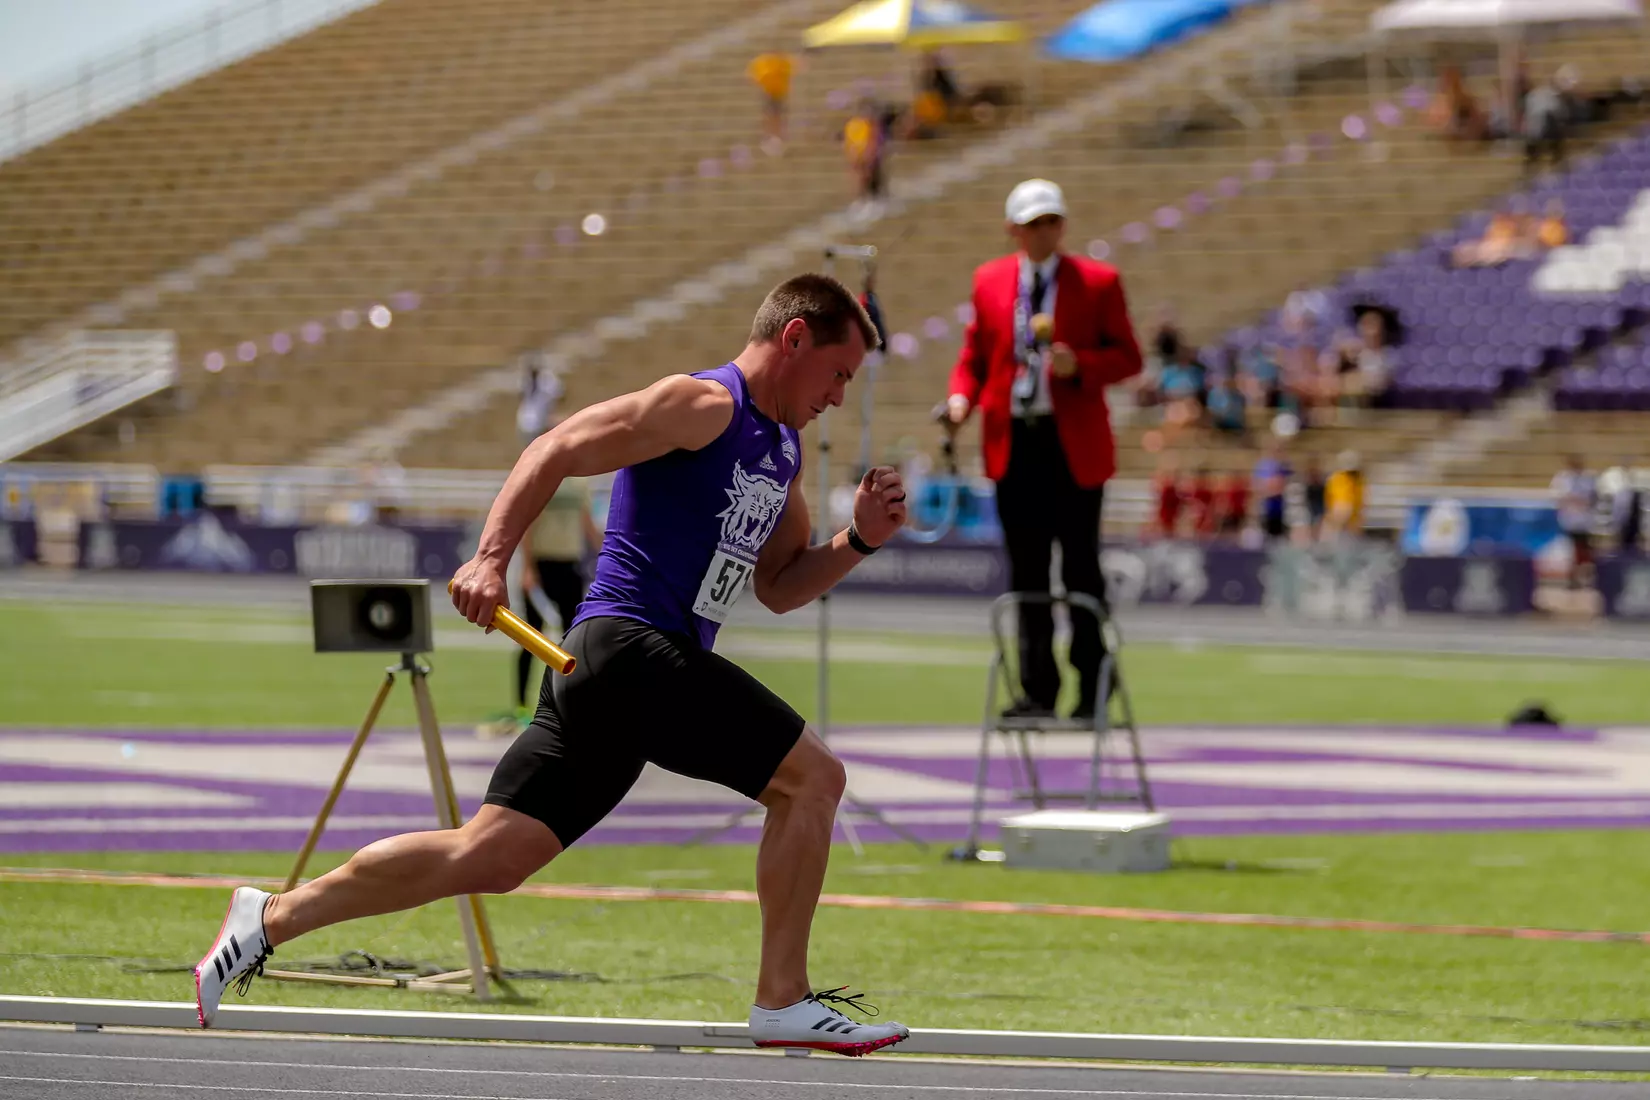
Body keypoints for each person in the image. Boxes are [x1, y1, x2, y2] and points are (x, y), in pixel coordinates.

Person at [193, 274, 914, 1056]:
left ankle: (268, 918)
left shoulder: (782, 451)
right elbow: (556, 447)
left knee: (492, 855)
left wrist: (859, 541)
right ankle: (782, 998)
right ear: (795, 338)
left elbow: (779, 586)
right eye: (838, 374)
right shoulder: (705, 404)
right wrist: (490, 557)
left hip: (619, 676)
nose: (839, 396)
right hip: (629, 649)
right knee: (813, 779)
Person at [944, 178, 1144, 720]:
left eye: (1052, 221)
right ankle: (1036, 689)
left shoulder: (1098, 282)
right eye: (1033, 224)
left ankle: (1094, 683)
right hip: (1014, 441)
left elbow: (1129, 357)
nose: (1044, 232)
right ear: (1013, 229)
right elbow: (974, 359)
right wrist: (960, 401)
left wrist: (1081, 365)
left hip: (1072, 443)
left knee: (1081, 567)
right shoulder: (989, 281)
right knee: (1027, 570)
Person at [479, 467, 603, 738]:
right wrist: (527, 567)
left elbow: (586, 520)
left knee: (573, 640)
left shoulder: (581, 481)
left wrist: (603, 552)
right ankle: (522, 706)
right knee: (530, 637)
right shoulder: (546, 473)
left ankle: (570, 704)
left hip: (570, 565)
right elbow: (528, 523)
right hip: (541, 565)